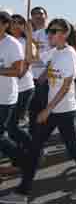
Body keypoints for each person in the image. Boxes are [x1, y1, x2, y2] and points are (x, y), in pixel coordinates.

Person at [0, 19, 76, 203]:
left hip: (64, 111)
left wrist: (47, 109)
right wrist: (29, 35)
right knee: (36, 147)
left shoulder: (69, 54)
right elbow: (32, 59)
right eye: (49, 31)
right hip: (54, 111)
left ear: (64, 34)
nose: (50, 35)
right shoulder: (56, 51)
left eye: (54, 31)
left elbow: (66, 86)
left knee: (74, 149)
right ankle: (22, 192)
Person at [0, 12, 26, 176]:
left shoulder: (12, 44)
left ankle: (24, 161)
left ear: (5, 25)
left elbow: (18, 70)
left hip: (5, 97)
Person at [7, 15, 35, 162]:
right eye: (13, 22)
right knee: (11, 126)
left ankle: (33, 150)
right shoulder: (5, 41)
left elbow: (29, 61)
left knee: (12, 126)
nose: (16, 25)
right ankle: (22, 153)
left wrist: (30, 37)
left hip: (24, 88)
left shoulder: (26, 42)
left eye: (20, 23)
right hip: (9, 91)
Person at [28, 7, 51, 138]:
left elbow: (56, 54)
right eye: (34, 14)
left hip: (45, 79)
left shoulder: (49, 33)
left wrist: (45, 74)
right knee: (33, 113)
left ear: (46, 16)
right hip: (31, 79)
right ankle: (34, 143)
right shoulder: (29, 34)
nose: (37, 16)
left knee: (45, 113)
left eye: (40, 14)